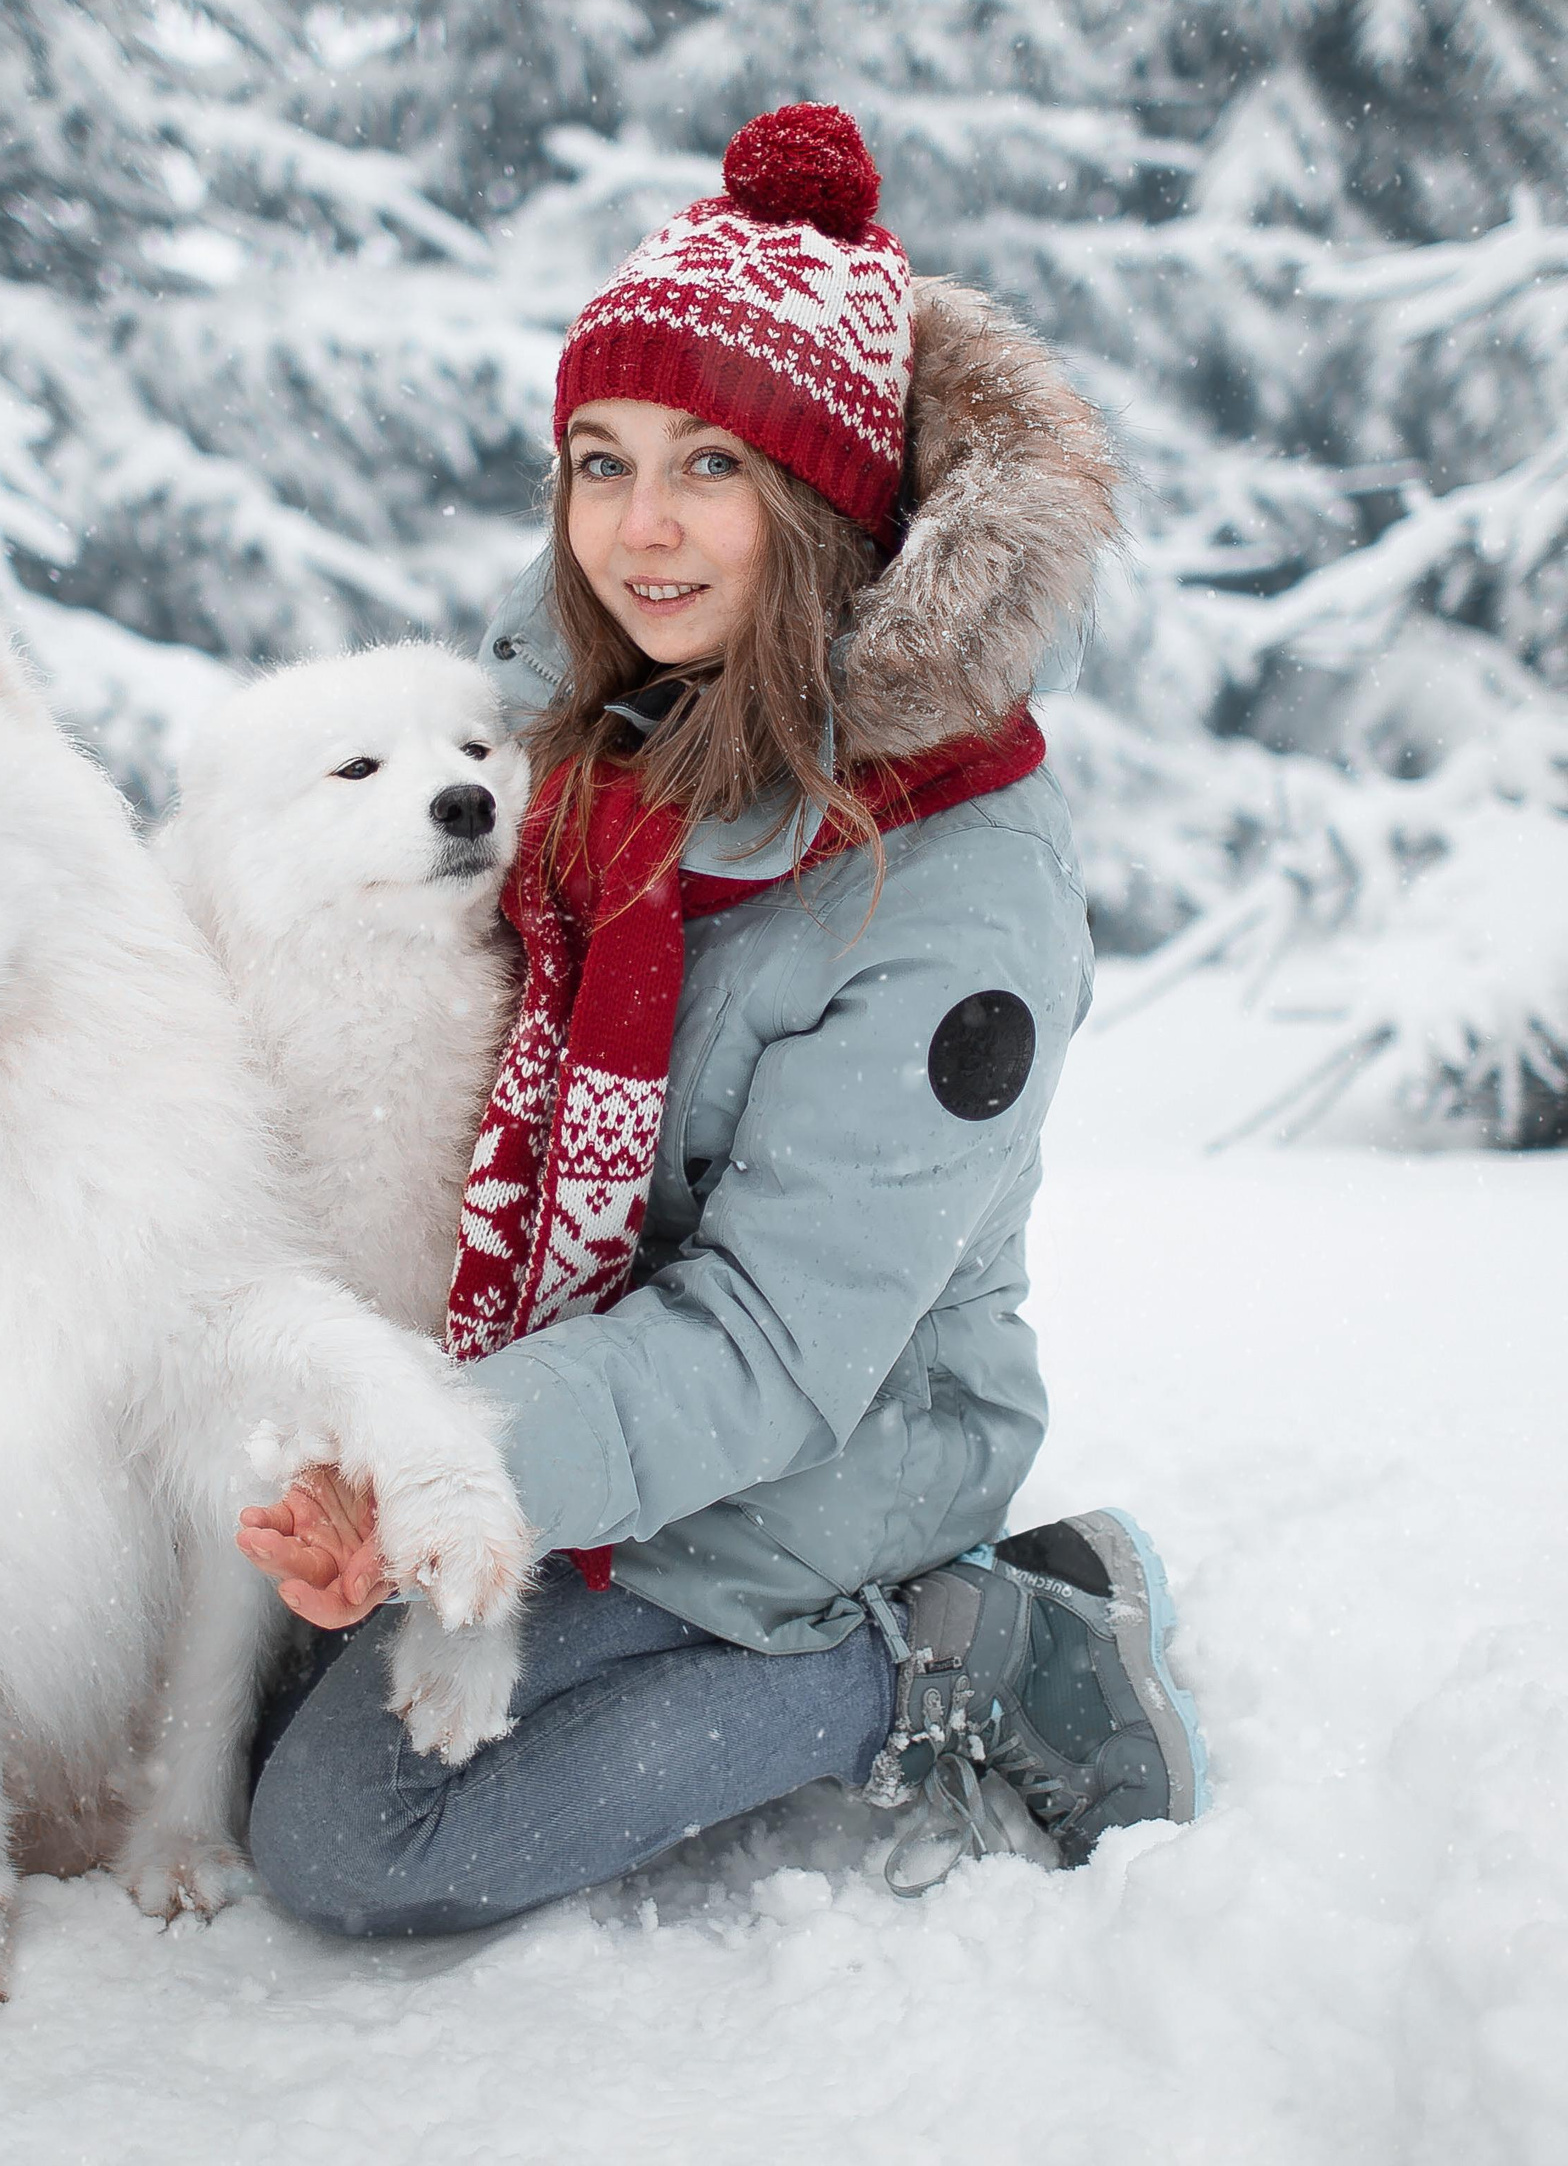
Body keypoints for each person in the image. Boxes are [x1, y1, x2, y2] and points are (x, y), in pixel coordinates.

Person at [235, 102, 1207, 1934]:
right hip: (607, 1386)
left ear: (828, 505)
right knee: (252, 1708)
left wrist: (431, 1468)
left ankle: (959, 1656)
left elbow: (769, 1339)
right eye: (598, 462)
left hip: (829, 1446)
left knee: (355, 1841)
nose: (640, 527)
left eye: (708, 466)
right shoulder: (605, 740)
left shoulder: (956, 889)